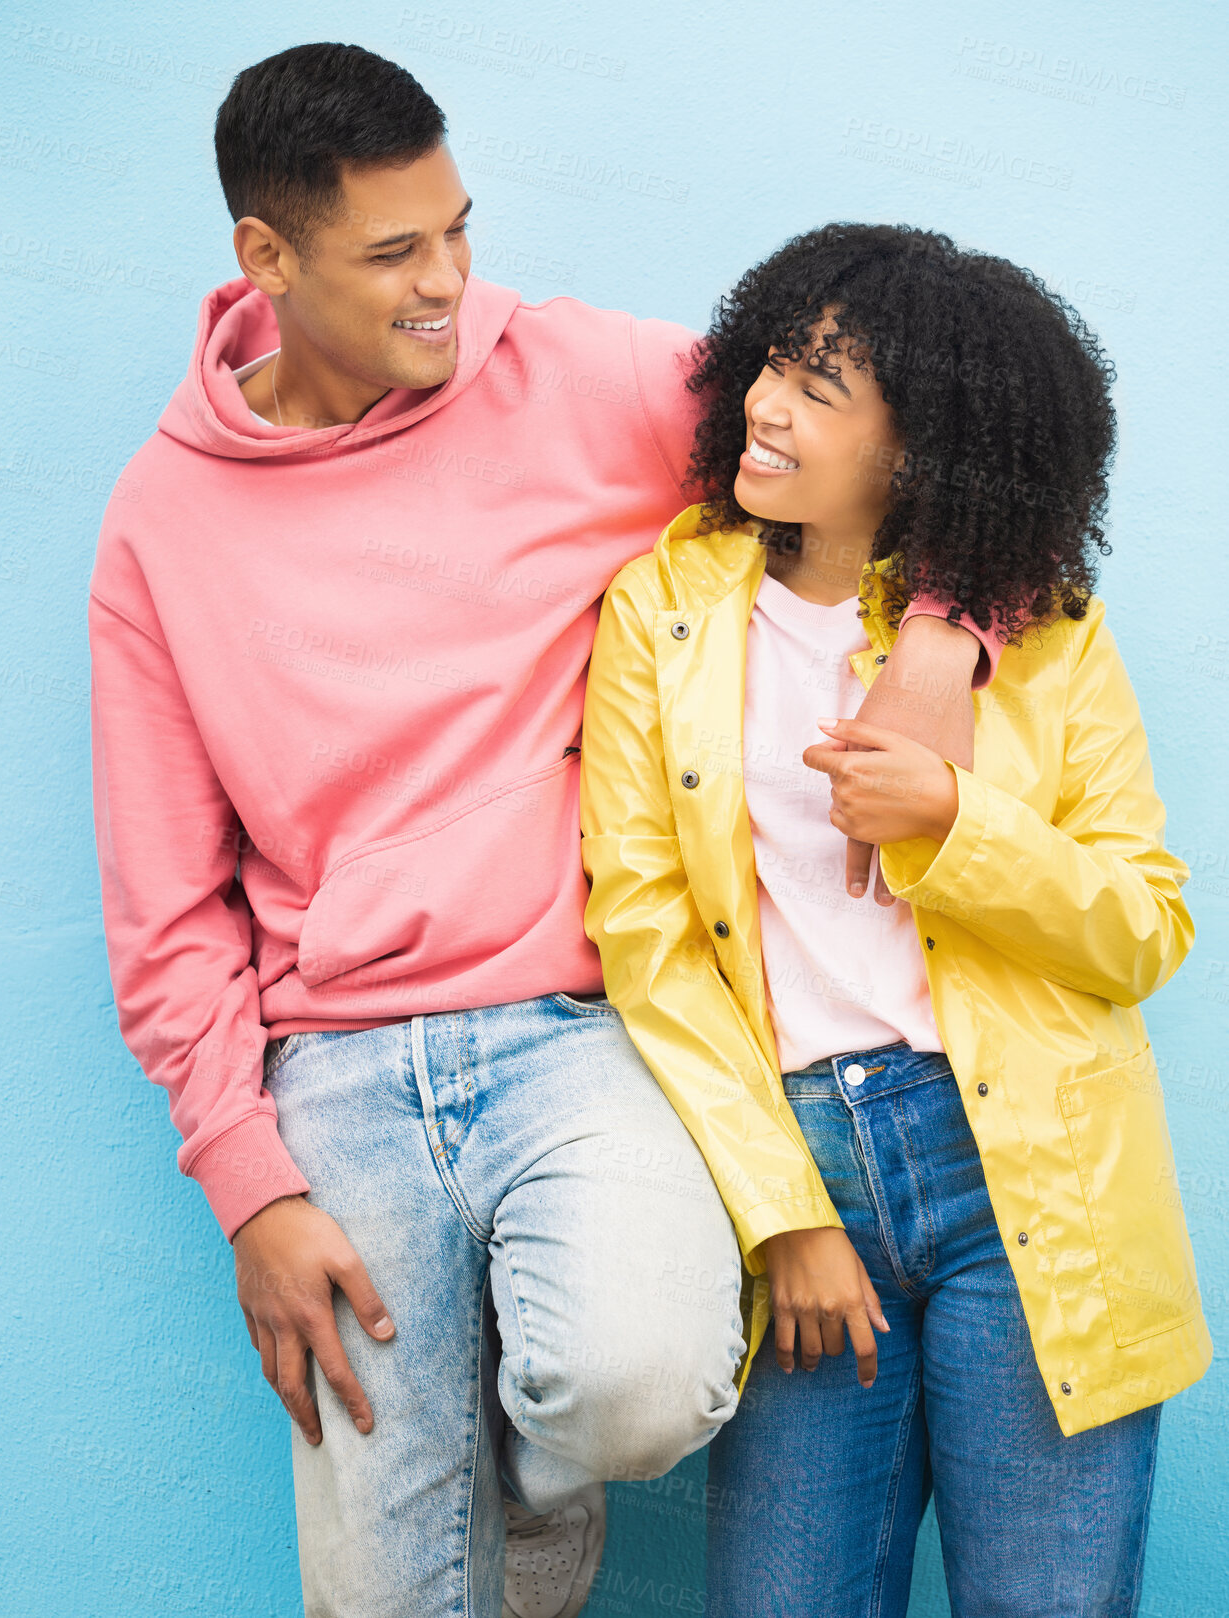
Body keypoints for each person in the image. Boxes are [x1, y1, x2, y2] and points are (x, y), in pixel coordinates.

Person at [86, 48, 1003, 1618]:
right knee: (384, 1601)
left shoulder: (584, 377)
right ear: (266, 258)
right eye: (394, 254)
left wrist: (945, 625)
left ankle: (508, 1497)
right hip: (340, 1072)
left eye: (459, 229)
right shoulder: (160, 525)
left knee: (637, 1386)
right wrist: (251, 1182)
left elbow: (912, 431)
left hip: (579, 1027)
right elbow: (167, 910)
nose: (450, 281)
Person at [579, 222, 1212, 1616]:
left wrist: (954, 821)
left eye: (820, 385)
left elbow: (1145, 927)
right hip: (807, 1169)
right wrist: (780, 1210)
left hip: (1029, 1174)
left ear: (922, 443)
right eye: (772, 363)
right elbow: (651, 939)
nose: (763, 402)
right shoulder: (665, 609)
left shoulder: (1042, 632)